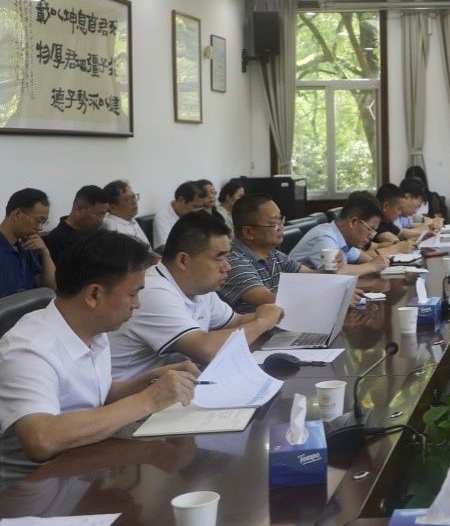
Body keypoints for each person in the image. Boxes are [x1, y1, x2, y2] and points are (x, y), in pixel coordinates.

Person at [0, 230, 198, 469]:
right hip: (36, 483)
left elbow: (94, 394)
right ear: (94, 294)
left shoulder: (92, 329)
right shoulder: (29, 350)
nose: (137, 304)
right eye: (133, 294)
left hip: (86, 463)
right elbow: (41, 439)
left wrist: (150, 381)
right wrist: (149, 400)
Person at [109, 212, 284, 380]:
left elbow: (236, 321)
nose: (227, 267)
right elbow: (205, 349)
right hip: (137, 395)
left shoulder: (199, 287)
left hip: (174, 386)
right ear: (183, 260)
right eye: (219, 258)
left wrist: (270, 314)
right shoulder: (152, 290)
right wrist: (263, 322)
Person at [216, 193, 320, 314]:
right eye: (273, 223)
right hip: (254, 325)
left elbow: (311, 276)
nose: (281, 227)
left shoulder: (273, 254)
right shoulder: (233, 262)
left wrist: (330, 269)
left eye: (280, 220)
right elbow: (269, 300)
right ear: (248, 232)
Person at [289, 192, 389, 275]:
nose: (371, 236)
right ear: (353, 222)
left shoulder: (344, 238)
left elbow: (359, 257)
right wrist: (372, 266)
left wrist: (379, 263)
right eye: (370, 229)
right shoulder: (325, 237)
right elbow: (335, 272)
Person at [0, 188, 57, 298]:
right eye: (38, 220)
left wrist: (45, 253)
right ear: (17, 214)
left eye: (43, 222)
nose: (40, 228)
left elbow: (50, 287)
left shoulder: (26, 246)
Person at [43, 186, 111, 262]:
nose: (101, 221)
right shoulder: (57, 239)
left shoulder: (96, 233)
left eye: (103, 215)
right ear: (79, 209)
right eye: (98, 214)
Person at [152, 181, 207, 252]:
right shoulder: (162, 217)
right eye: (194, 207)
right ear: (181, 200)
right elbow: (166, 248)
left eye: (199, 207)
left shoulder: (189, 214)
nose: (196, 211)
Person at [102, 180, 150, 246]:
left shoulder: (129, 218)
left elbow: (147, 248)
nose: (134, 202)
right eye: (127, 199)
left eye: (133, 197)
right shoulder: (111, 229)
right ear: (113, 208)